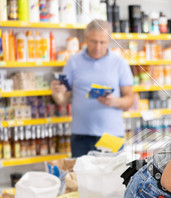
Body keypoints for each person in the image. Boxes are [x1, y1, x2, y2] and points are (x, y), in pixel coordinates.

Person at [51, 19, 134, 157]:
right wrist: (57, 93)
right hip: (81, 135)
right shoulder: (73, 62)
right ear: (86, 38)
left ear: (109, 41)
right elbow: (63, 100)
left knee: (111, 177)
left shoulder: (120, 63)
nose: (98, 47)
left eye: (103, 42)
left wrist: (114, 102)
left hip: (111, 135)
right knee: (80, 177)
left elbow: (130, 99)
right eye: (93, 41)